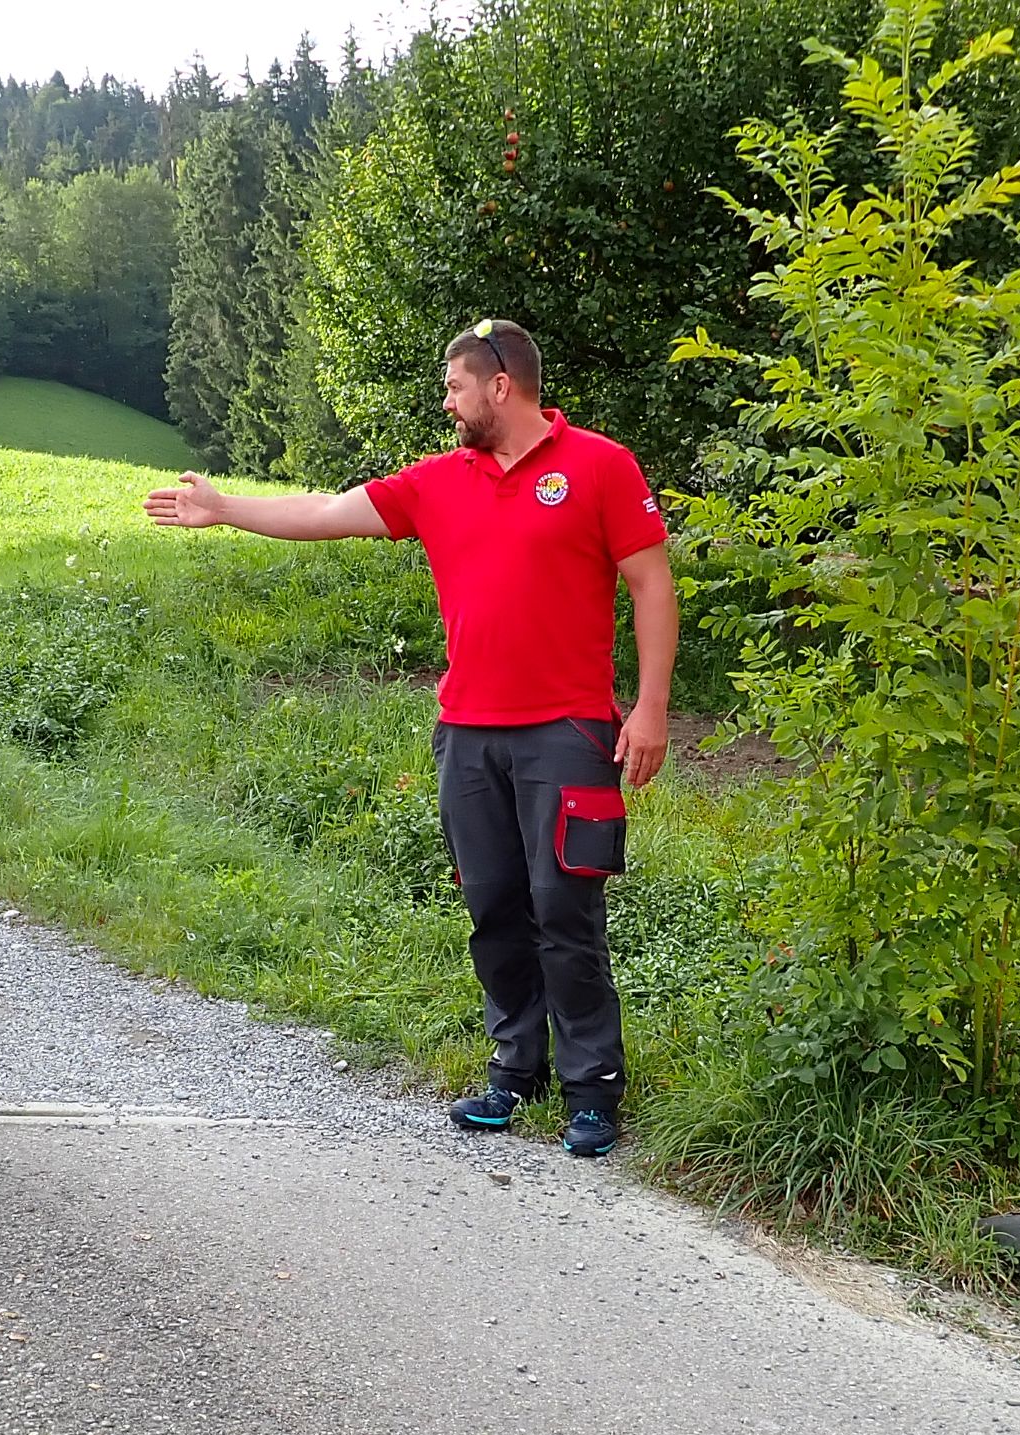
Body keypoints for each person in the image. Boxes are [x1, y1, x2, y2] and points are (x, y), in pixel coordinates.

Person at [144, 319, 676, 1157]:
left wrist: (649, 709)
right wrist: (224, 508)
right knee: (494, 907)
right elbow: (326, 511)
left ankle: (593, 1091)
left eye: (455, 387)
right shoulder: (438, 483)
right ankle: (515, 1068)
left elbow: (651, 584)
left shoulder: (601, 467)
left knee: (565, 910)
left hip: (568, 733)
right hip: (467, 734)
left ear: (502, 386)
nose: (447, 402)